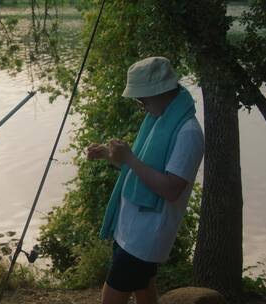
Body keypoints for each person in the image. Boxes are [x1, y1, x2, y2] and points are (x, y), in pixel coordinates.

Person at [86, 57, 204, 304]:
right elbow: (142, 171)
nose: (141, 105)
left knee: (111, 297)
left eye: (142, 99)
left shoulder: (187, 132)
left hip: (147, 235)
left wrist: (129, 158)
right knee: (144, 290)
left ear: (159, 92)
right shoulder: (159, 121)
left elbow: (171, 189)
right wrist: (110, 155)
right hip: (129, 226)